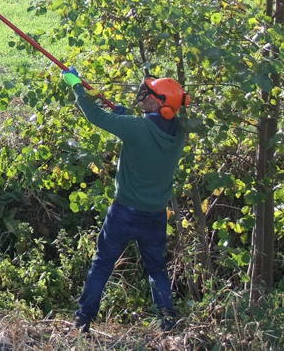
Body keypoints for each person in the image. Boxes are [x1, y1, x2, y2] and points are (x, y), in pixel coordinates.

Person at [60, 67, 191, 334]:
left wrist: (76, 85)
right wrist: (127, 117)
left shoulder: (136, 128)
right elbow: (151, 127)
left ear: (157, 102)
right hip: (155, 215)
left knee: (102, 265)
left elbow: (95, 115)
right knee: (156, 270)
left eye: (149, 93)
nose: (142, 95)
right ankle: (168, 323)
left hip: (124, 213)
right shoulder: (179, 133)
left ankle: (82, 322)